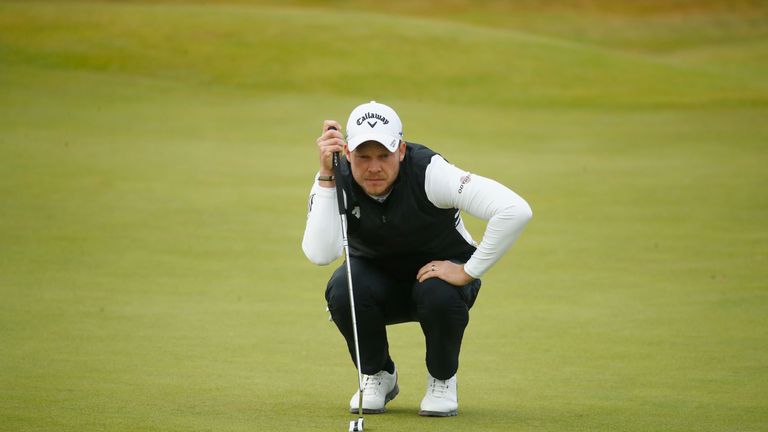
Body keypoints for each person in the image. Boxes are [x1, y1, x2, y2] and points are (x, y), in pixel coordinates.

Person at [302, 101, 532, 417]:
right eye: (363, 157)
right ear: (348, 153)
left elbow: (514, 210)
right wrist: (327, 175)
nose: (373, 168)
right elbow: (321, 254)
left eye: (383, 155)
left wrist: (467, 271)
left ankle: (442, 380)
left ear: (401, 151)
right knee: (343, 288)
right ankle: (377, 374)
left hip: (439, 285)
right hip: (377, 286)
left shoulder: (430, 172)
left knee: (438, 292)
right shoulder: (335, 176)